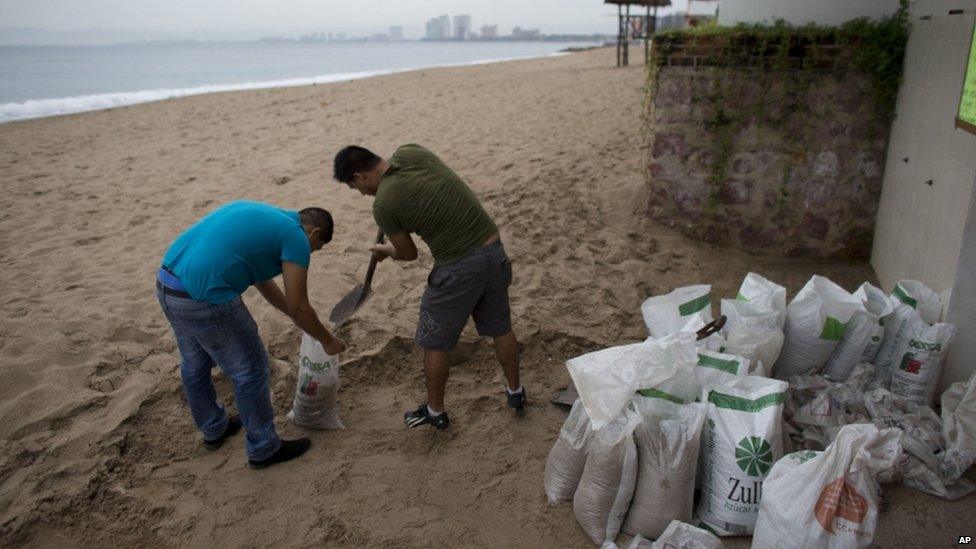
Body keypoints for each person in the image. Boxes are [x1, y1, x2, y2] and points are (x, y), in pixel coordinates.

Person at [332, 143, 524, 430]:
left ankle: (435, 411)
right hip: (494, 251)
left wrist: (385, 250)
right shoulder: (412, 153)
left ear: (360, 177)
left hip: (457, 267)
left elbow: (408, 254)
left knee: (434, 342)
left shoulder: (383, 204)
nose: (361, 194)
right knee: (500, 328)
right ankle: (515, 391)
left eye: (355, 188)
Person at [156, 200, 345, 469]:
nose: (310, 253)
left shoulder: (268, 218)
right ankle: (264, 447)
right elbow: (299, 305)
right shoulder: (297, 237)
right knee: (252, 368)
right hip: (205, 296)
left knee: (195, 363)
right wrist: (327, 340)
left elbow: (261, 279)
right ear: (313, 234)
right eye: (316, 248)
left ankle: (214, 428)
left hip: (168, 285)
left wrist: (294, 316)